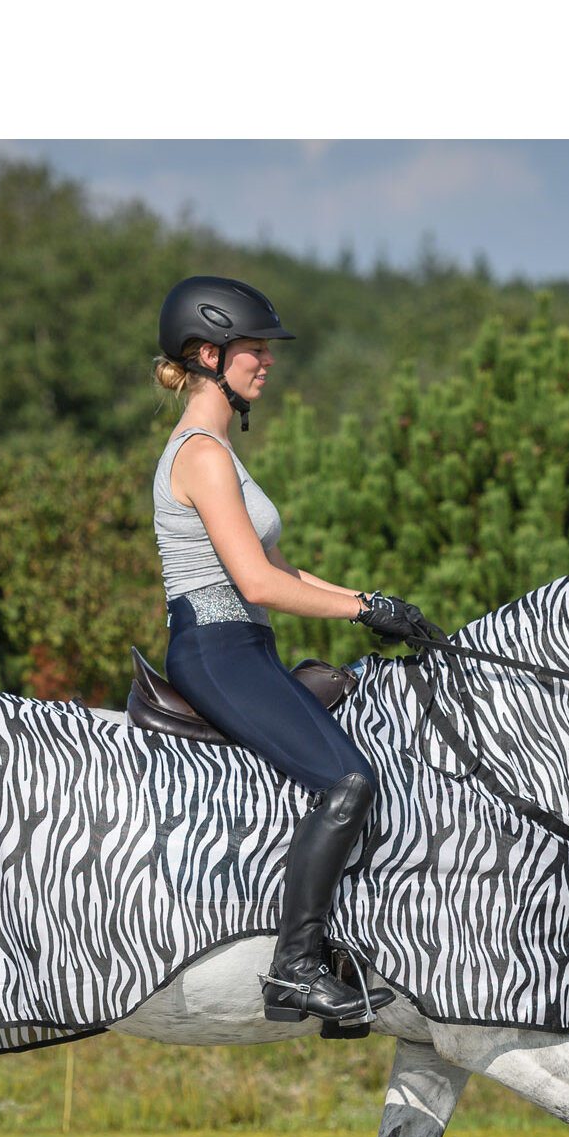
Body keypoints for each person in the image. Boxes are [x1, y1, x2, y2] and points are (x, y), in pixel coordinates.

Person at [153, 275, 443, 1026]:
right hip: (216, 648)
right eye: (254, 348)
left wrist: (373, 604)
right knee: (347, 779)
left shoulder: (218, 450)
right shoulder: (201, 454)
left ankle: (350, 941)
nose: (266, 361)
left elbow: (278, 570)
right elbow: (254, 580)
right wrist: (360, 607)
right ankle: (294, 969)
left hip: (243, 642)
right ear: (208, 355)